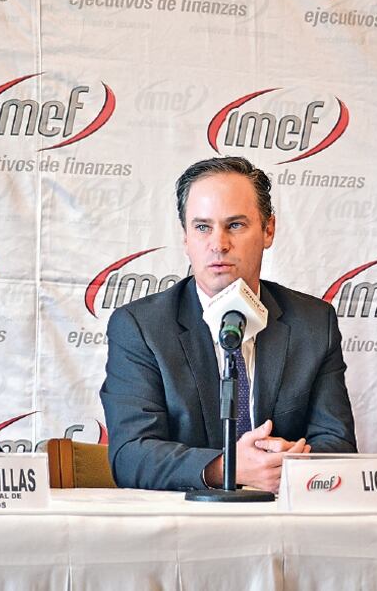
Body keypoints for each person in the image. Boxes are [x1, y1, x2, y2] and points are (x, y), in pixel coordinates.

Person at [100, 156, 356, 492]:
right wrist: (228, 468)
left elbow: (338, 446)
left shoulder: (314, 323)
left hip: (280, 517)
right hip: (182, 520)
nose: (218, 244)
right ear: (185, 237)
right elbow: (131, 456)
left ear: (268, 230)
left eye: (235, 225)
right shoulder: (140, 327)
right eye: (202, 227)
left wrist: (289, 465)